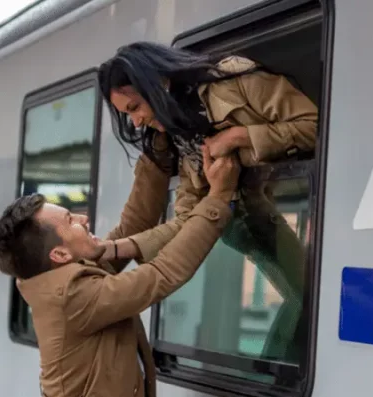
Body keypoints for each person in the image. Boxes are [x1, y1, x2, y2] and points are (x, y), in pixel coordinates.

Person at [98, 41, 318, 361]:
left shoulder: (233, 80)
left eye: (133, 108)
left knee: (307, 299)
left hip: (260, 217)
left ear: (157, 83)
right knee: (304, 298)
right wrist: (110, 252)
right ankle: (269, 371)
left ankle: (269, 372)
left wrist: (240, 136)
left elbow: (316, 127)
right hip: (241, 230)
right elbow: (185, 220)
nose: (135, 122)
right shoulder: (178, 132)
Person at [0, 147, 240, 397]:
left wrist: (156, 152)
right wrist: (219, 198)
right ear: (59, 255)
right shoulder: (73, 296)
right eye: (71, 221)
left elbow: (131, 226)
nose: (83, 219)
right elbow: (162, 274)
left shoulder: (63, 273)